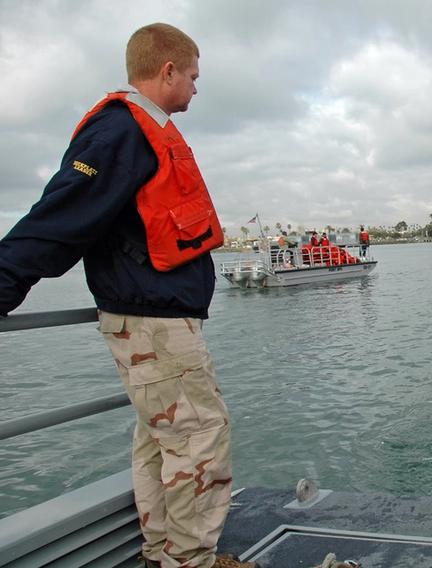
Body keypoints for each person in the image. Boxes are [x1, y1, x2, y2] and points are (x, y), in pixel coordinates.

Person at [0, 23, 251, 568]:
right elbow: (60, 217)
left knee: (162, 441)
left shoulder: (140, 130)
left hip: (150, 321)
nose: (196, 88)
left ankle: (164, 555)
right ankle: (189, 562)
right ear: (166, 72)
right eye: (191, 76)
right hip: (153, 325)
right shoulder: (122, 133)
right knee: (200, 439)